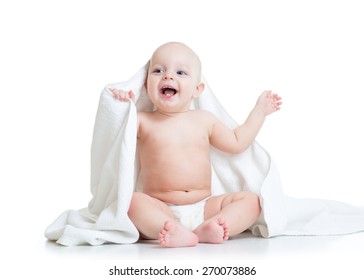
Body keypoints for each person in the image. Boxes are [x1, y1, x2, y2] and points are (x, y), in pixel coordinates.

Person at [109, 42, 282, 248]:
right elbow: (117, 138)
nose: (168, 76)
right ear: (146, 86)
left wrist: (259, 112)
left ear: (197, 89)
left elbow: (237, 143)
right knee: (130, 202)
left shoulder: (204, 120)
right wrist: (121, 106)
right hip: (161, 207)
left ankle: (216, 225)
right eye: (158, 70)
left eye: (180, 72)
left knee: (252, 201)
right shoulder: (141, 120)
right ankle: (169, 229)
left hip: (206, 206)